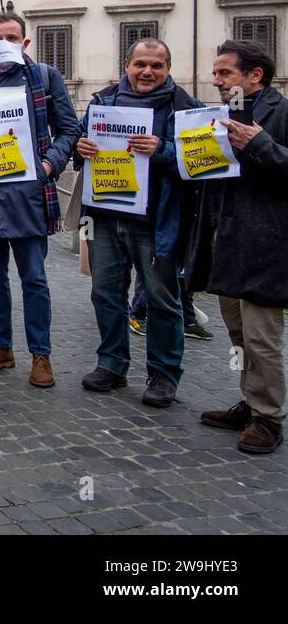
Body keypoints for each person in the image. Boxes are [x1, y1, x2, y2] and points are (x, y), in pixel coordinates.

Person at [0, 12, 78, 387]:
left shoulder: (44, 77)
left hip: (28, 196)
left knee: (34, 278)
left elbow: (69, 130)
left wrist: (48, 167)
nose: (5, 41)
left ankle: (41, 355)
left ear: (25, 42)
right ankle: (1, 347)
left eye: (13, 36)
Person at [75, 38, 200, 407]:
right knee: (105, 293)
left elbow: (199, 162)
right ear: (127, 64)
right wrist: (80, 148)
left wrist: (160, 151)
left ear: (168, 69)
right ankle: (111, 364)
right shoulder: (103, 102)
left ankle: (163, 375)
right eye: (141, 64)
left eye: (157, 66)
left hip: (155, 221)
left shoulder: (185, 108)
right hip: (104, 215)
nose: (148, 72)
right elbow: (77, 142)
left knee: (162, 299)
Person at [188, 40, 286, 455]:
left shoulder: (281, 113)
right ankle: (252, 402)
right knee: (239, 332)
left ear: (254, 75)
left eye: (224, 73)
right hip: (225, 237)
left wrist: (259, 144)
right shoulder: (222, 114)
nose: (216, 80)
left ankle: (270, 418)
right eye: (215, 73)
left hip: (267, 243)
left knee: (263, 336)